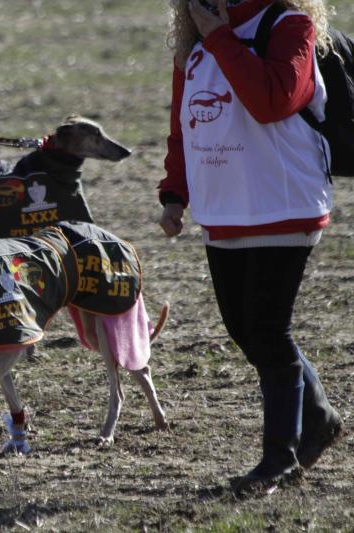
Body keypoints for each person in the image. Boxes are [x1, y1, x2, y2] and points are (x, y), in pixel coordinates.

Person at [159, 0, 343, 495]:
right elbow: (185, 125)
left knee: (266, 328)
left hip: (283, 201)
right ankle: (319, 416)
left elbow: (271, 101)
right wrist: (174, 191)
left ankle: (279, 458)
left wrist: (220, 37)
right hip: (223, 209)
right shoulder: (194, 41)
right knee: (245, 329)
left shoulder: (290, 25)